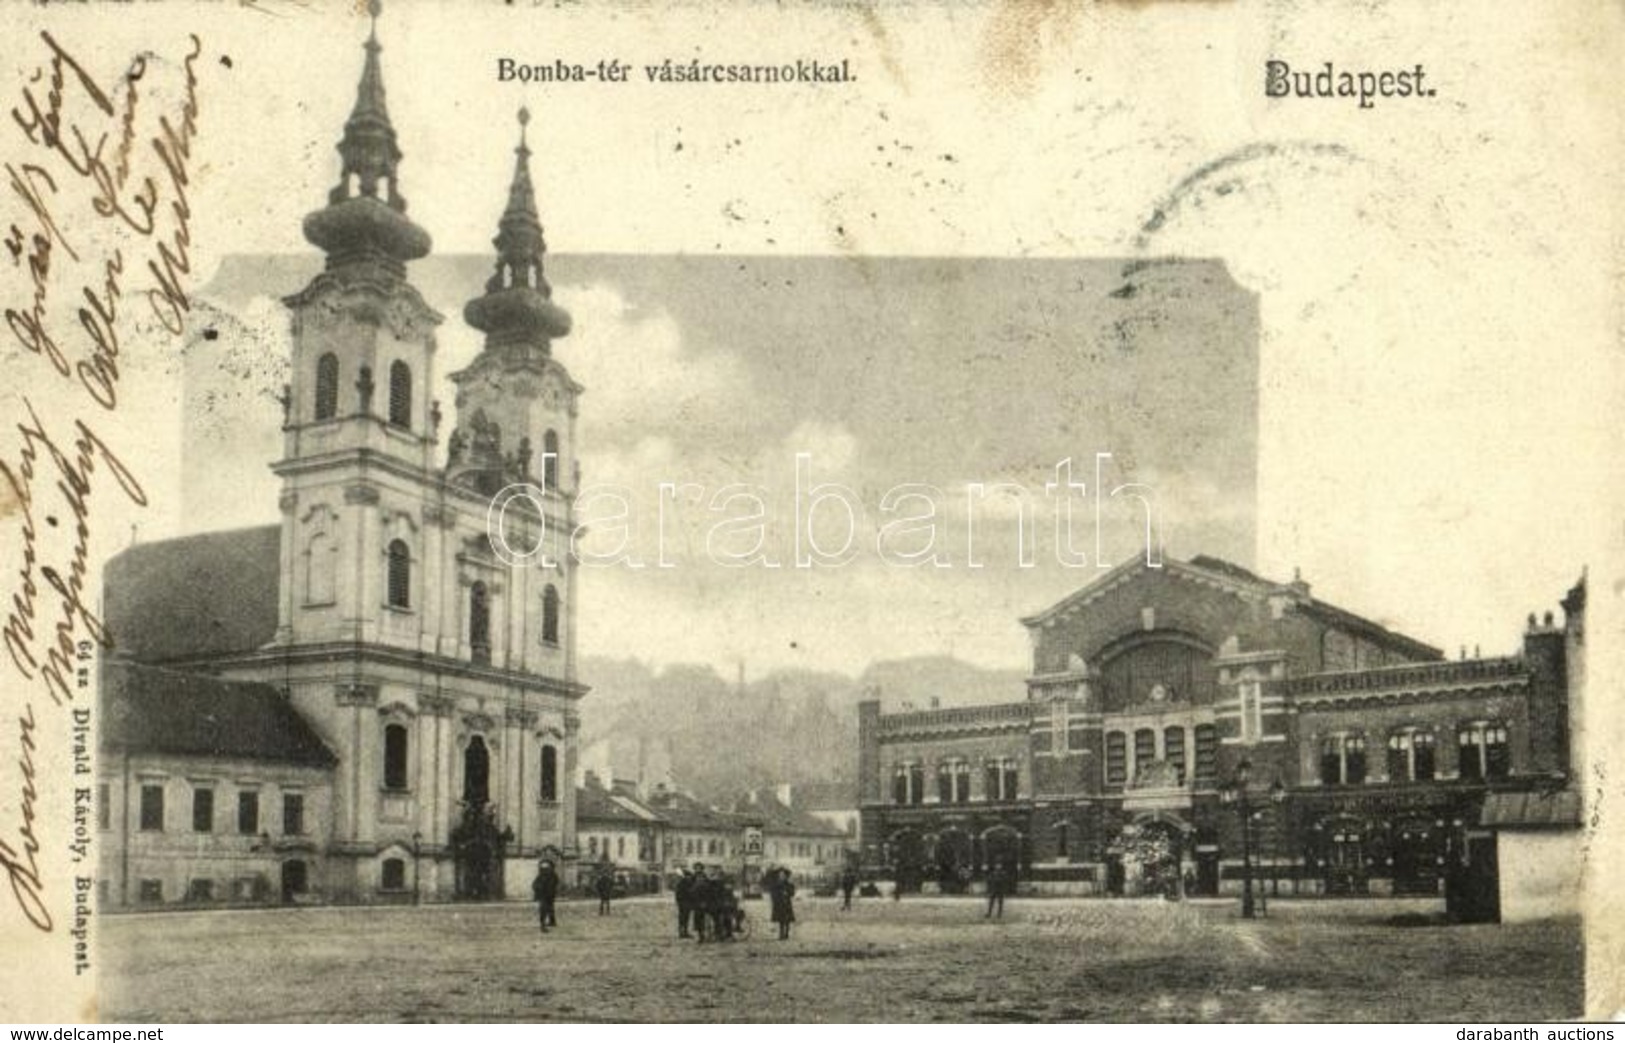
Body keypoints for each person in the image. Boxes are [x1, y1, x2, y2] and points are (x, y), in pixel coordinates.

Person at [531, 859, 559, 933]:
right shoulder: (549, 875)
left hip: (546, 896)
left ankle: (549, 923)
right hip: (545, 896)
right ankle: (544, 925)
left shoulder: (549, 875)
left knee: (546, 910)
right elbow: (535, 885)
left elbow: (535, 885)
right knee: (545, 910)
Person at [769, 867, 797, 940]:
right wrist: (777, 897)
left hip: (786, 904)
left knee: (787, 920)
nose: (782, 876)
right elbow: (772, 893)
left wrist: (787, 893)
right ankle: (781, 934)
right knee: (781, 920)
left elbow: (792, 893)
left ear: (785, 876)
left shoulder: (788, 884)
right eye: (780, 875)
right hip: (779, 904)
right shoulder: (776, 884)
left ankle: (786, 933)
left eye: (783, 875)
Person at [674, 866, 696, 938]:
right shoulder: (683, 883)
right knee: (683, 918)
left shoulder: (683, 883)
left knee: (684, 918)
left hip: (684, 903)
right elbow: (680, 894)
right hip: (684, 903)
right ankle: (682, 932)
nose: (689, 878)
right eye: (688, 876)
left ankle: (683, 932)